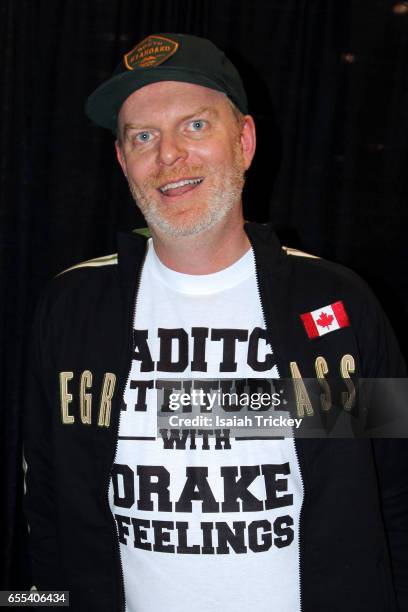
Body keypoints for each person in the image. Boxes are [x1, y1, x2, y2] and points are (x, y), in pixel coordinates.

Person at [24, 33, 407, 612]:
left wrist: (194, 407)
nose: (169, 155)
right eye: (144, 136)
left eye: (195, 126)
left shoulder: (338, 301)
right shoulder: (70, 305)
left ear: (245, 141)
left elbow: (395, 491)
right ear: (124, 160)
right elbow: (44, 506)